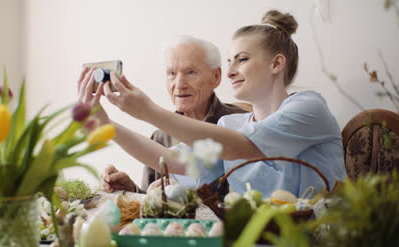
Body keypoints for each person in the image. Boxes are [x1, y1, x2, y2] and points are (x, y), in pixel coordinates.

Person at [81, 10, 346, 197]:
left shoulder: (309, 108)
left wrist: (147, 111)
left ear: (276, 63)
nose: (229, 72)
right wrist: (107, 125)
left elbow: (244, 147)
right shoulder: (231, 124)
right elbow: (173, 160)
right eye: (229, 61)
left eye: (241, 59)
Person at [80, 36, 249, 193]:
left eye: (191, 72)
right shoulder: (160, 137)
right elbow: (152, 208)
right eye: (172, 74)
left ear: (216, 77)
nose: (179, 84)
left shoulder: (241, 124)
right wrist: (133, 190)